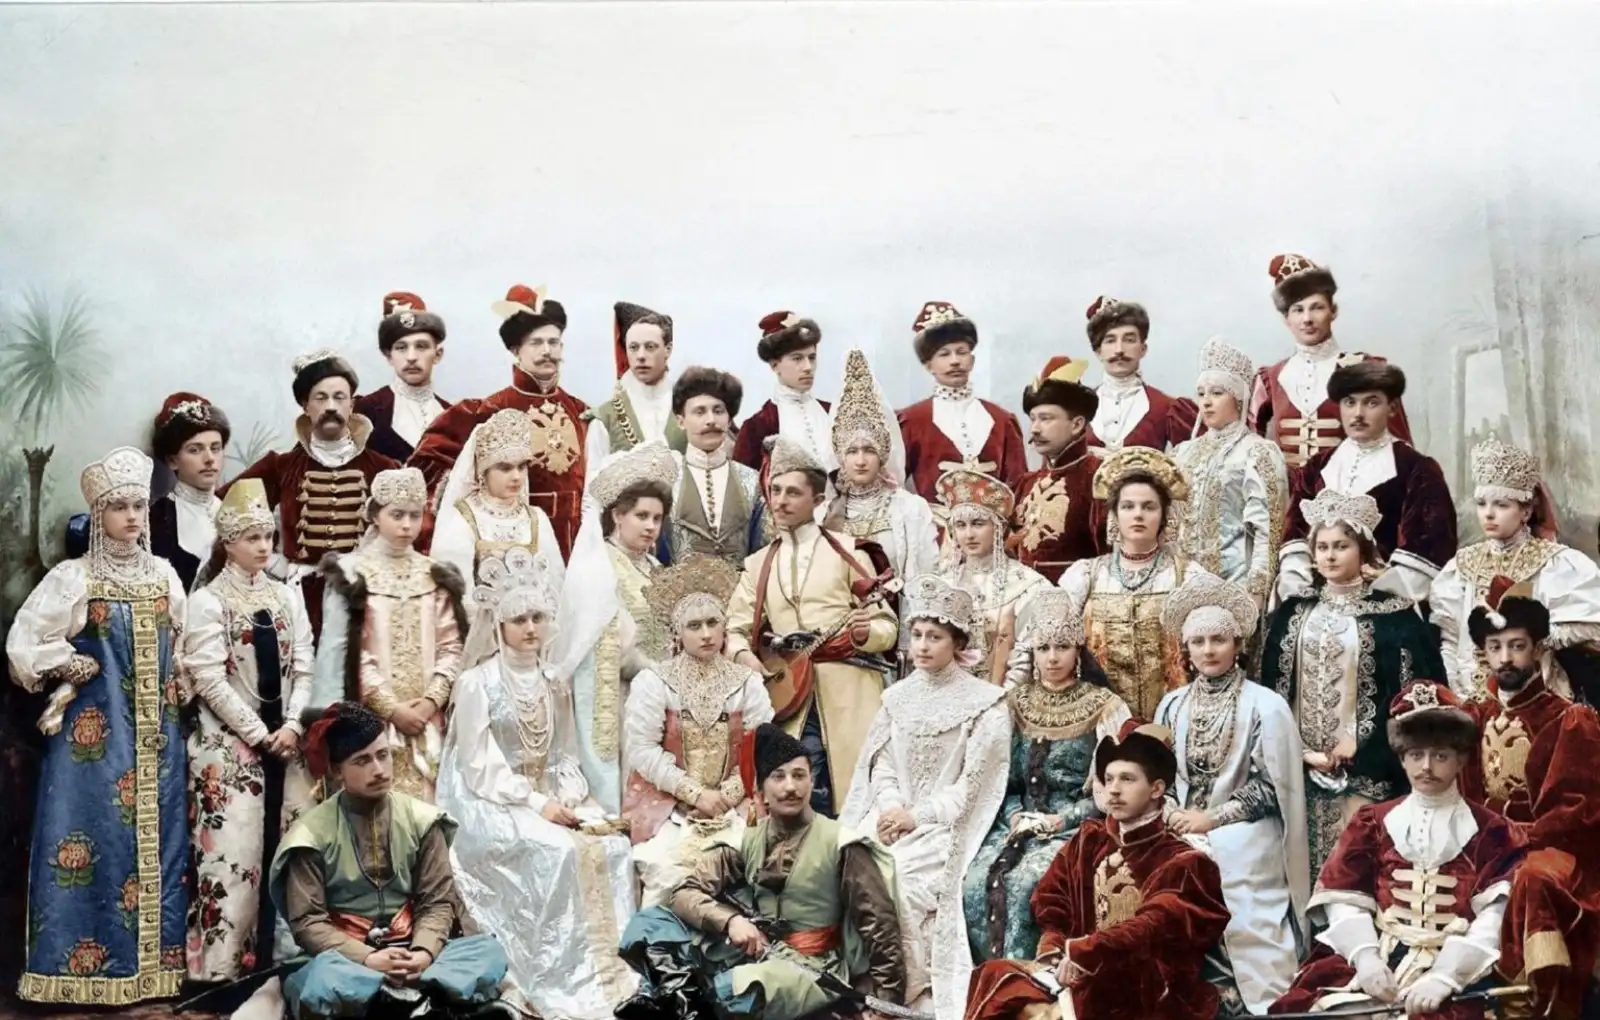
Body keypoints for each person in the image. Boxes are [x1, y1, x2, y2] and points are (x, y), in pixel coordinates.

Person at [6, 447, 190, 1005]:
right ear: (99, 513)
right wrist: (65, 661)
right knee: (93, 841)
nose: (132, 517)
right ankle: (83, 974)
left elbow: (181, 648)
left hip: (158, 738)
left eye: (138, 506)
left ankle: (153, 972)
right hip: (93, 741)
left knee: (162, 845)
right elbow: (24, 644)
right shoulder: (75, 577)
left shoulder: (164, 575)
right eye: (119, 507)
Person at [436, 547, 638, 1019]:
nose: (530, 628)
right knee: (557, 850)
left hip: (549, 793)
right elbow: (477, 763)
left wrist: (570, 797)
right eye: (519, 619)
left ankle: (612, 976)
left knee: (612, 846)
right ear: (499, 624)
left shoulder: (553, 680)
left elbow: (564, 754)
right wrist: (535, 802)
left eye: (538, 617)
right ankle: (548, 977)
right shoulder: (477, 682)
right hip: (492, 799)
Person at [1270, 681, 1524, 1020]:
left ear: (1461, 760)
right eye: (1416, 755)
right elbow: (1345, 897)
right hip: (1381, 955)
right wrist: (1366, 957)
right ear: (1402, 759)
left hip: (1457, 970)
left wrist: (1445, 977)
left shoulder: (1494, 831)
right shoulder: (1373, 822)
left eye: (1441, 756)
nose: (1427, 767)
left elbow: (1495, 917)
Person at [616, 723, 905, 1020]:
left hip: (811, 967)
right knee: (648, 924)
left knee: (731, 990)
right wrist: (730, 921)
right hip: (750, 952)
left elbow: (879, 926)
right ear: (761, 791)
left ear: (811, 782)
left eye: (799, 775)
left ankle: (672, 1002)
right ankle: (679, 1000)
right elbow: (685, 892)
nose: (790, 786)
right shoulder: (747, 840)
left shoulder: (841, 844)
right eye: (778, 776)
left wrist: (887, 1005)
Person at [963, 723, 1231, 1020]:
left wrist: (1083, 954)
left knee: (1077, 1001)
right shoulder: (1089, 840)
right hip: (1078, 972)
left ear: (1156, 789)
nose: (1113, 789)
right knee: (994, 975)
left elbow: (1151, 927)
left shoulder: (1184, 862)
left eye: (1127, 779)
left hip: (1146, 986)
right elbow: (1052, 897)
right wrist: (1054, 947)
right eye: (1109, 778)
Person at [268, 702, 510, 1020]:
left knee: (487, 952)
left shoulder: (422, 821)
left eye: (383, 755)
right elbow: (308, 922)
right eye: (362, 761)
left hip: (413, 952)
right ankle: (427, 1002)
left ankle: (402, 1000)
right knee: (323, 980)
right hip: (348, 959)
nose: (379, 769)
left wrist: (423, 952)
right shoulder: (310, 836)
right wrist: (368, 958)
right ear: (337, 771)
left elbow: (437, 902)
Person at [840, 573, 1012, 1018]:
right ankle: (859, 985)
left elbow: (975, 785)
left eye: (934, 637)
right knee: (845, 861)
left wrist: (917, 816)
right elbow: (882, 764)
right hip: (890, 817)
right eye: (916, 635)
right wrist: (891, 806)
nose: (922, 645)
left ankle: (906, 994)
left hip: (945, 826)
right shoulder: (897, 697)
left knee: (901, 882)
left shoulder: (985, 703)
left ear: (957, 642)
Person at [1259, 489, 1446, 875]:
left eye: (1341, 546)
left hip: (1367, 767)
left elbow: (1414, 694)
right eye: (1322, 547)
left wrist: (1360, 738)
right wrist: (1297, 750)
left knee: (1358, 861)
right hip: (1300, 764)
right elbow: (1272, 690)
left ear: (1363, 551)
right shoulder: (1293, 611)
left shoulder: (1394, 615)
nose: (1329, 556)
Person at [1155, 572, 1308, 1016]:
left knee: (1231, 871)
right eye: (1198, 641)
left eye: (1218, 640)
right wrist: (1170, 809)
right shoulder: (1172, 704)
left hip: (1247, 825)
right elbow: (1157, 771)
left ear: (1237, 644)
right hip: (1181, 821)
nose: (1208, 650)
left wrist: (1211, 819)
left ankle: (1252, 993)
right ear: (1186, 648)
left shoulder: (1265, 705)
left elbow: (1273, 785)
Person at [182, 479, 317, 982]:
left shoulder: (285, 595)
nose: (263, 546)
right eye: (252, 538)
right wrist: (259, 734)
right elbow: (208, 679)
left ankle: (287, 962)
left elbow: (305, 665)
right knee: (233, 854)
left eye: (268, 537)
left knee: (297, 846)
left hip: (288, 743)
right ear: (228, 542)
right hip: (228, 745)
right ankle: (221, 971)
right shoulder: (209, 601)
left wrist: (293, 725)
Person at [725, 436, 898, 816]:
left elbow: (887, 624)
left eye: (793, 492)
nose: (780, 501)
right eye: (775, 491)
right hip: (787, 692)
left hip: (850, 691)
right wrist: (747, 660)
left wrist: (865, 633)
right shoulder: (758, 564)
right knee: (794, 794)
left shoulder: (848, 551)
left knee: (854, 800)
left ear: (817, 500)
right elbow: (734, 630)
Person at [961, 588, 1132, 963]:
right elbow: (1001, 781)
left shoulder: (1105, 706)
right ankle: (990, 980)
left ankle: (1031, 980)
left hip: (1077, 826)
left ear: (1077, 651)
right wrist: (1014, 817)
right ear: (1033, 653)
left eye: (1062, 647)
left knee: (1030, 883)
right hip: (1013, 824)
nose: (1053, 657)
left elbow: (1113, 791)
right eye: (1043, 648)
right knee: (974, 881)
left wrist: (1059, 820)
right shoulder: (1014, 704)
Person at [1459, 583, 1600, 1018]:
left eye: (1517, 646)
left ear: (1537, 649)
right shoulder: (1473, 716)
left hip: (1553, 847)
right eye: (1495, 647)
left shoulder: (1568, 718)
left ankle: (1536, 1003)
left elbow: (1576, 809)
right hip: (1485, 843)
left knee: (1533, 878)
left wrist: (1515, 838)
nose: (1505, 658)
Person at [624, 554, 774, 907]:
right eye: (694, 626)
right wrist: (695, 795)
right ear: (676, 632)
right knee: (666, 869)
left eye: (713, 623)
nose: (706, 634)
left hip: (735, 805)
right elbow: (642, 750)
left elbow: (762, 747)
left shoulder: (747, 682)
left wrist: (724, 797)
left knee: (752, 862)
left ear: (725, 627)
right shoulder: (654, 682)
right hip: (668, 806)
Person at [315, 467, 468, 802]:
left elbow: (452, 646)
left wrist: (430, 702)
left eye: (415, 515)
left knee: (431, 810)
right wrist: (392, 709)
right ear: (375, 515)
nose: (406, 525)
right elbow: (348, 654)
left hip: (430, 722)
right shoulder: (352, 573)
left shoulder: (435, 575)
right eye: (397, 515)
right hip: (372, 720)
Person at [224, 349, 401, 637]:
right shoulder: (280, 466)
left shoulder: (384, 468)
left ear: (352, 405)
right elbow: (224, 510)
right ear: (305, 405)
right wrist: (274, 563)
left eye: (339, 397)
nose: (331, 406)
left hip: (363, 599)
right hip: (298, 598)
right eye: (320, 398)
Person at [410, 283, 590, 557]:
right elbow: (429, 469)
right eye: (536, 343)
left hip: (578, 545)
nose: (547, 351)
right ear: (516, 350)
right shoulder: (488, 410)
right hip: (515, 544)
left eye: (553, 342)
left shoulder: (581, 413)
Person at [554, 440, 679, 813]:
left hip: (662, 694)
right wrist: (658, 672)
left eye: (657, 518)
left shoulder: (656, 568)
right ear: (617, 516)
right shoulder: (599, 566)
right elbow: (607, 643)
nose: (651, 526)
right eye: (642, 516)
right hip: (618, 696)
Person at [1431, 434, 1600, 701]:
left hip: (1539, 695)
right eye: (1482, 504)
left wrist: (1538, 638)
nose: (1488, 513)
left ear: (1526, 512)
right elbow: (1450, 638)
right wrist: (1459, 694)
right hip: (1471, 695)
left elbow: (1591, 625)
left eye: (1501, 505)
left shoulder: (1555, 562)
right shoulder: (1462, 565)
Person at [1059, 446, 1218, 721]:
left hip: (1175, 717)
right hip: (1101, 719)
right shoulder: (1086, 576)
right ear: (1114, 515)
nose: (1138, 515)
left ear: (1164, 516)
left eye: (1149, 507)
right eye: (1128, 506)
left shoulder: (1188, 576)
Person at [1279, 360, 1457, 604]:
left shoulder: (1417, 469)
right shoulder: (1317, 467)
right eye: (1349, 402)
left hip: (1385, 603)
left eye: (1371, 403)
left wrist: (1373, 597)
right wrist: (1300, 591)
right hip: (1317, 598)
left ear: (1392, 408)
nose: (1358, 414)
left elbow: (1430, 548)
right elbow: (1295, 535)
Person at [1248, 253, 1413, 479]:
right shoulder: (1269, 378)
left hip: (1350, 495)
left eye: (1317, 307)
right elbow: (1248, 447)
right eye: (1298, 310)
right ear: (1286, 318)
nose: (1307, 319)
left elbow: (1400, 451)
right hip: (1286, 500)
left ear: (1333, 311)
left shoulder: (1364, 370)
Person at [1172, 337, 1289, 609]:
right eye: (1201, 394)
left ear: (1237, 398)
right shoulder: (1182, 453)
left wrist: (1257, 590)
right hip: (1183, 583)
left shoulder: (1257, 451)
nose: (1206, 402)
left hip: (1236, 584)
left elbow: (1267, 529)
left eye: (1216, 393)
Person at [822, 347, 940, 610]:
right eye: (852, 451)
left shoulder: (910, 509)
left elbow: (927, 579)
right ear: (841, 456)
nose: (861, 460)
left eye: (869, 450)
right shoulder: (824, 514)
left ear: (883, 454)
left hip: (901, 622)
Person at [898, 300, 1029, 504]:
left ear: (972, 360)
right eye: (944, 354)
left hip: (996, 523)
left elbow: (1019, 487)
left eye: (961, 352)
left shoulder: (1002, 420)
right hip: (934, 522)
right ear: (928, 365)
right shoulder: (911, 421)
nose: (955, 361)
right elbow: (894, 485)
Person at [430, 407, 564, 593]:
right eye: (505, 468)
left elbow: (555, 584)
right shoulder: (463, 519)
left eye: (522, 467)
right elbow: (457, 593)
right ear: (483, 472)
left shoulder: (537, 518)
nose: (516, 477)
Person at [935, 468, 1050, 684]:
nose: (969, 534)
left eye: (978, 523)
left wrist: (1001, 699)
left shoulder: (1028, 585)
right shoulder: (943, 585)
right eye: (960, 525)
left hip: (1009, 696)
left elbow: (1029, 658)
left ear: (998, 528)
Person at [1011, 356, 1105, 584]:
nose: (1034, 429)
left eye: (1046, 419)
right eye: (1033, 419)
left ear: (1077, 424)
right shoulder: (1025, 484)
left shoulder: (1099, 478)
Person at [662, 366, 765, 565]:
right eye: (699, 412)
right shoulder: (666, 479)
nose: (711, 420)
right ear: (681, 421)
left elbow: (763, 551)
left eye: (718, 411)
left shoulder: (753, 481)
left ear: (729, 419)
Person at [1081, 296, 1198, 454]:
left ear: (1143, 349)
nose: (1119, 350)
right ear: (1098, 351)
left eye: (1129, 340)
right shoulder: (1077, 409)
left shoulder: (1167, 408)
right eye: (1110, 340)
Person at [730, 310, 833, 482]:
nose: (808, 367)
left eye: (812, 358)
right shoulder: (757, 427)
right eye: (797, 358)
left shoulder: (833, 413)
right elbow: (743, 490)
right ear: (774, 365)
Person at [357, 292, 453, 464]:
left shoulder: (452, 415)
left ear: (438, 354)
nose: (411, 357)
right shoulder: (366, 411)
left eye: (421, 346)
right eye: (401, 348)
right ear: (389, 356)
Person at [584, 301, 686, 462]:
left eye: (650, 347)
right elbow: (593, 476)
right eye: (633, 347)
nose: (641, 356)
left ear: (668, 349)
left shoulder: (690, 408)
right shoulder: (605, 418)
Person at [150, 391, 230, 591]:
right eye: (195, 450)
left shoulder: (234, 510)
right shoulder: (157, 519)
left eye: (216, 448)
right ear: (172, 460)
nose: (209, 459)